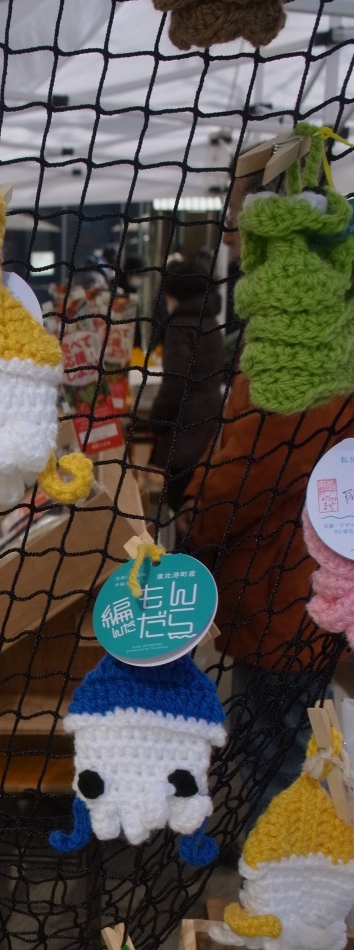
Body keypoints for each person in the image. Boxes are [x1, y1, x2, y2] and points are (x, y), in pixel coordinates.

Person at [178, 167, 354, 824]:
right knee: (302, 740)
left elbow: (253, 468)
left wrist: (194, 521)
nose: (229, 236)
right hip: (308, 578)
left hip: (288, 585)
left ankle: (290, 873)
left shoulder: (295, 337)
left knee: (278, 756)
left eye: (235, 219)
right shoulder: (330, 313)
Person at [149, 252, 226, 513]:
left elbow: (174, 384)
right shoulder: (210, 321)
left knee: (180, 506)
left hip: (185, 429)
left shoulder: (180, 326)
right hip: (210, 421)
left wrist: (155, 421)